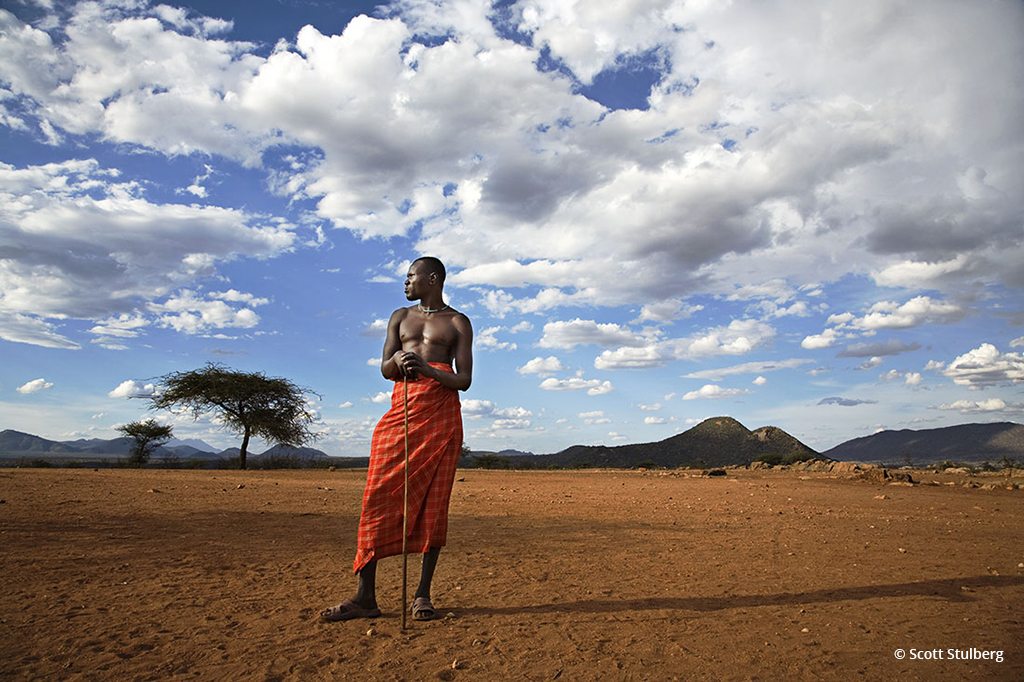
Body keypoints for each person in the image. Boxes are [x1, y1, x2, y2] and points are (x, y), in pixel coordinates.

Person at [322, 256, 473, 622]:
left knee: (433, 506)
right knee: (377, 498)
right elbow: (385, 367)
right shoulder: (399, 317)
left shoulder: (458, 322)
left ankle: (422, 595)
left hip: (439, 418)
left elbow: (464, 380)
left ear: (432, 279)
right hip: (401, 414)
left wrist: (427, 370)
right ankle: (365, 597)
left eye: (411, 276)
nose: (405, 283)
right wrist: (400, 363)